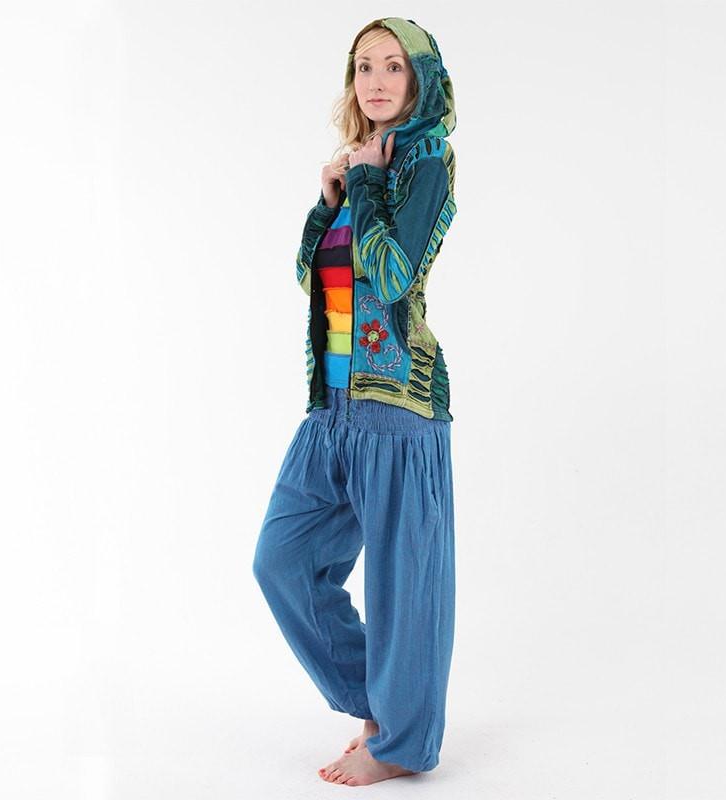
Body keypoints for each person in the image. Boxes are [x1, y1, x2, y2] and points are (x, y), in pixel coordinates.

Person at [252, 16, 458, 787]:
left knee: (404, 589)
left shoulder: (427, 162)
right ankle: (382, 703)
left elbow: (393, 274)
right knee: (283, 561)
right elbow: (314, 278)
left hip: (397, 407)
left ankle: (402, 743)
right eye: (364, 65)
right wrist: (329, 198)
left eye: (393, 66)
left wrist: (369, 182)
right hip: (331, 408)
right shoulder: (361, 163)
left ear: (420, 79)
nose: (376, 80)